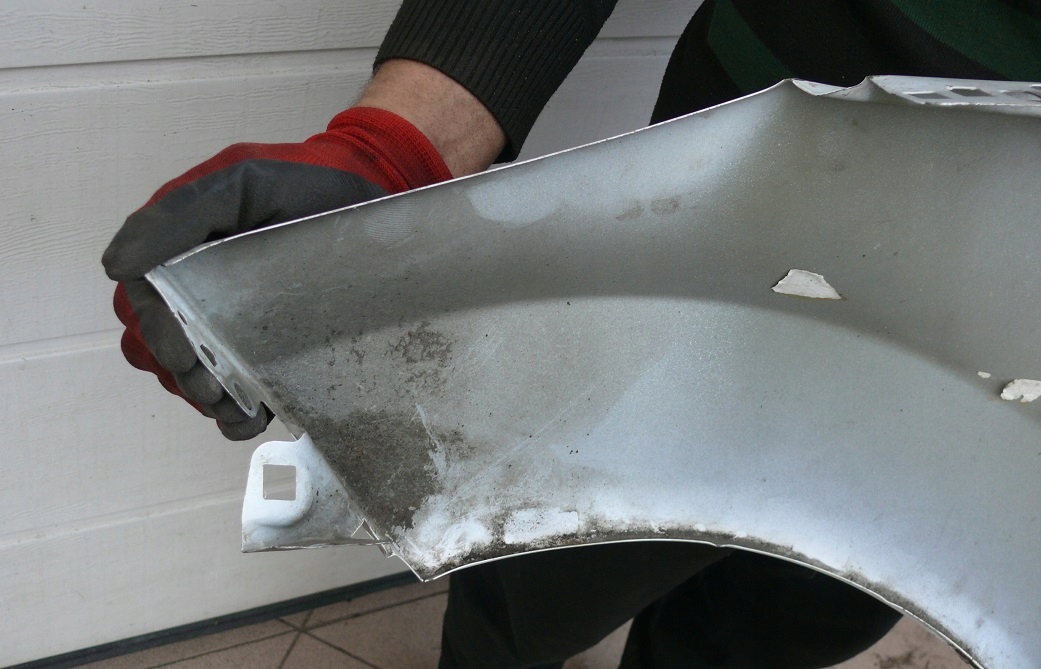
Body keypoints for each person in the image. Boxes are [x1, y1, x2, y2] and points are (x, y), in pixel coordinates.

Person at [102, 1, 1041, 667]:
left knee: (801, 614)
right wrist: (397, 145)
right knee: (540, 562)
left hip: (1003, 352)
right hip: (742, 214)